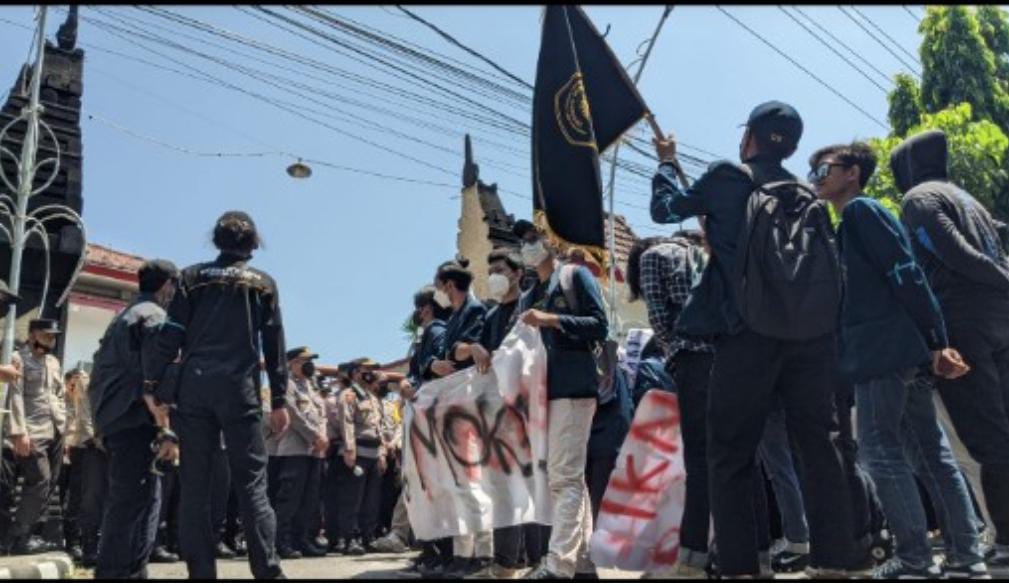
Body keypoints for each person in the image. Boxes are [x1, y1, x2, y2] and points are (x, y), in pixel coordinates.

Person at [650, 101, 858, 578]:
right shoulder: (806, 195)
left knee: (729, 454)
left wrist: (666, 162)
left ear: (749, 140)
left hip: (746, 336)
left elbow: (664, 210)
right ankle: (835, 564)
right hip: (809, 340)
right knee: (818, 448)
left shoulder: (727, 177)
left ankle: (742, 569)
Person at [810, 140, 988, 579]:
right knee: (929, 453)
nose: (817, 178)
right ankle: (967, 558)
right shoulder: (849, 222)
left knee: (880, 451)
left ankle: (914, 560)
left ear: (852, 172)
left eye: (824, 169)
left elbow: (904, 271)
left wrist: (937, 337)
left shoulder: (860, 212)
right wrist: (931, 341)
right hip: (900, 349)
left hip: (884, 350)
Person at [143, 211, 290, 580]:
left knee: (195, 485)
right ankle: (268, 572)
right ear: (254, 243)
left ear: (216, 240)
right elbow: (274, 347)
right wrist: (280, 401)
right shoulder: (264, 283)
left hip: (194, 388)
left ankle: (202, 574)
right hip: (240, 391)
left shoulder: (191, 277)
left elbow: (171, 335)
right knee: (253, 484)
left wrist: (153, 383)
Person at [894, 129, 1009, 574]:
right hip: (1001, 320)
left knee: (987, 439)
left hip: (965, 323)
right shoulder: (969, 200)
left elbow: (954, 255)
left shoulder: (919, 199)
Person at [511, 219, 608, 581]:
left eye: (534, 238)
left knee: (563, 478)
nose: (528, 246)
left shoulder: (574, 276)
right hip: (542, 393)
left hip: (572, 386)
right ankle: (582, 562)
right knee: (568, 478)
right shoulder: (529, 292)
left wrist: (551, 319)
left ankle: (558, 565)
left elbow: (600, 325)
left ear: (552, 241)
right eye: (523, 242)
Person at [626, 231, 714, 577]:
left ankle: (692, 556)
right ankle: (740, 550)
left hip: (692, 361)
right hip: (727, 360)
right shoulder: (707, 255)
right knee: (729, 459)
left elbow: (659, 318)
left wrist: (673, 349)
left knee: (698, 461)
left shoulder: (654, 257)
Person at [88, 259, 180, 578]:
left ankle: (129, 571)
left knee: (137, 499)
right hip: (135, 419)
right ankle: (118, 574)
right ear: (167, 285)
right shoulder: (154, 317)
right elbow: (153, 376)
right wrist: (166, 430)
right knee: (135, 502)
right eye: (175, 286)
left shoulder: (125, 316)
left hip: (118, 419)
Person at [428, 259, 492, 579]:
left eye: (439, 286)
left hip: (469, 400)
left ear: (449, 285)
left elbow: (465, 350)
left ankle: (482, 552)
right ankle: (462, 553)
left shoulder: (474, 311)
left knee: (471, 480)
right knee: (457, 483)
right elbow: (447, 353)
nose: (437, 292)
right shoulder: (454, 315)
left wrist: (454, 353)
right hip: (452, 399)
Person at [383, 288, 449, 570]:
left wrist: (414, 383)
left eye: (421, 307)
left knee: (431, 484)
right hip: (423, 415)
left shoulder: (435, 330)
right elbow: (416, 370)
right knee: (422, 486)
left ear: (427, 309)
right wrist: (410, 381)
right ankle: (429, 550)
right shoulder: (429, 333)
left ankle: (436, 551)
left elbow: (428, 370)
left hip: (430, 415)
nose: (419, 313)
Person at [1, 318, 67, 556]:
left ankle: (30, 536)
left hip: (56, 429)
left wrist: (65, 429)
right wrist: (19, 432)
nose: (51, 339)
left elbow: (59, 395)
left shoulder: (53, 362)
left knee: (50, 483)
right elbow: (14, 396)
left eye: (53, 335)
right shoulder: (18, 358)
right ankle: (17, 537)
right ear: (32, 335)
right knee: (39, 480)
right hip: (33, 430)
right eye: (46, 335)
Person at [266, 347, 328, 559]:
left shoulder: (311, 387)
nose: (309, 365)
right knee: (289, 500)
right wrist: (314, 437)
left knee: (308, 500)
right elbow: (293, 413)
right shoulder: (286, 384)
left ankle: (302, 540)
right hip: (294, 449)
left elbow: (322, 416)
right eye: (304, 361)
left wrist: (322, 437)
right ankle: (281, 543)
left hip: (315, 451)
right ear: (292, 364)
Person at [62, 369, 106, 568]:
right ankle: (73, 543)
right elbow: (86, 417)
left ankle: (87, 544)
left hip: (100, 446)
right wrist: (98, 441)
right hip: (85, 446)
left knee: (92, 499)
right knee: (80, 497)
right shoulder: (86, 379)